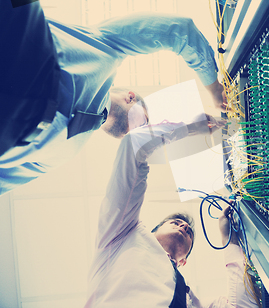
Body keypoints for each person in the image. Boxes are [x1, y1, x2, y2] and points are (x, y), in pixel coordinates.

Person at [0, 0, 226, 195]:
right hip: (17, 35)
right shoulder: (103, 49)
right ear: (130, 97)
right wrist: (213, 87)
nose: (143, 131)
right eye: (145, 121)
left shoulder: (62, 155)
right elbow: (176, 30)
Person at [84, 115, 258, 308]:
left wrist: (229, 240)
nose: (184, 225)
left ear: (183, 262)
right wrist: (193, 125)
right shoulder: (120, 236)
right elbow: (133, 145)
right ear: (152, 232)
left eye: (189, 232)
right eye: (175, 222)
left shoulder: (189, 299)